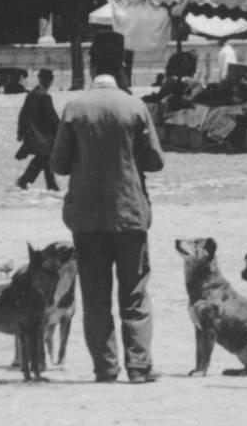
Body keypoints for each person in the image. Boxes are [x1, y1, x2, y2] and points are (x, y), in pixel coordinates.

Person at [51, 32, 165, 384]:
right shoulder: (135, 107)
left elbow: (59, 164)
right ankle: (139, 366)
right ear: (123, 65)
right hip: (130, 214)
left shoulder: (74, 108)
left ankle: (105, 366)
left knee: (96, 296)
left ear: (91, 63)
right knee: (134, 294)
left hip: (87, 217)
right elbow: (156, 161)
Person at [16, 69, 60, 191]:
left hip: (33, 133)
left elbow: (23, 114)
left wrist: (21, 132)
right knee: (44, 156)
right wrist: (59, 132)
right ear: (50, 81)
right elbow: (52, 119)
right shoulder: (45, 96)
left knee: (44, 157)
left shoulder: (32, 94)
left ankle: (50, 184)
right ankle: (25, 180)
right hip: (42, 134)